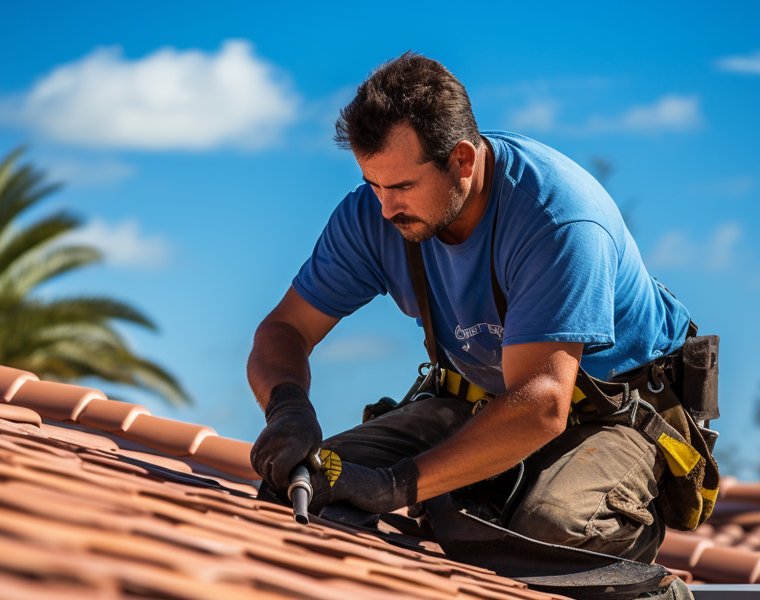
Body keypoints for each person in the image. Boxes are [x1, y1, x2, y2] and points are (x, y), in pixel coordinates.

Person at [247, 52, 714, 585]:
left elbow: (542, 405)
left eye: (400, 186)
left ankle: (651, 589)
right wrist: (287, 409)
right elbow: (283, 330)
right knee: (309, 482)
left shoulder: (558, 219)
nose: (384, 208)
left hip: (611, 417)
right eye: (372, 184)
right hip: (481, 403)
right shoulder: (375, 213)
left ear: (462, 161)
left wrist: (397, 486)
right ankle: (475, 494)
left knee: (550, 531)